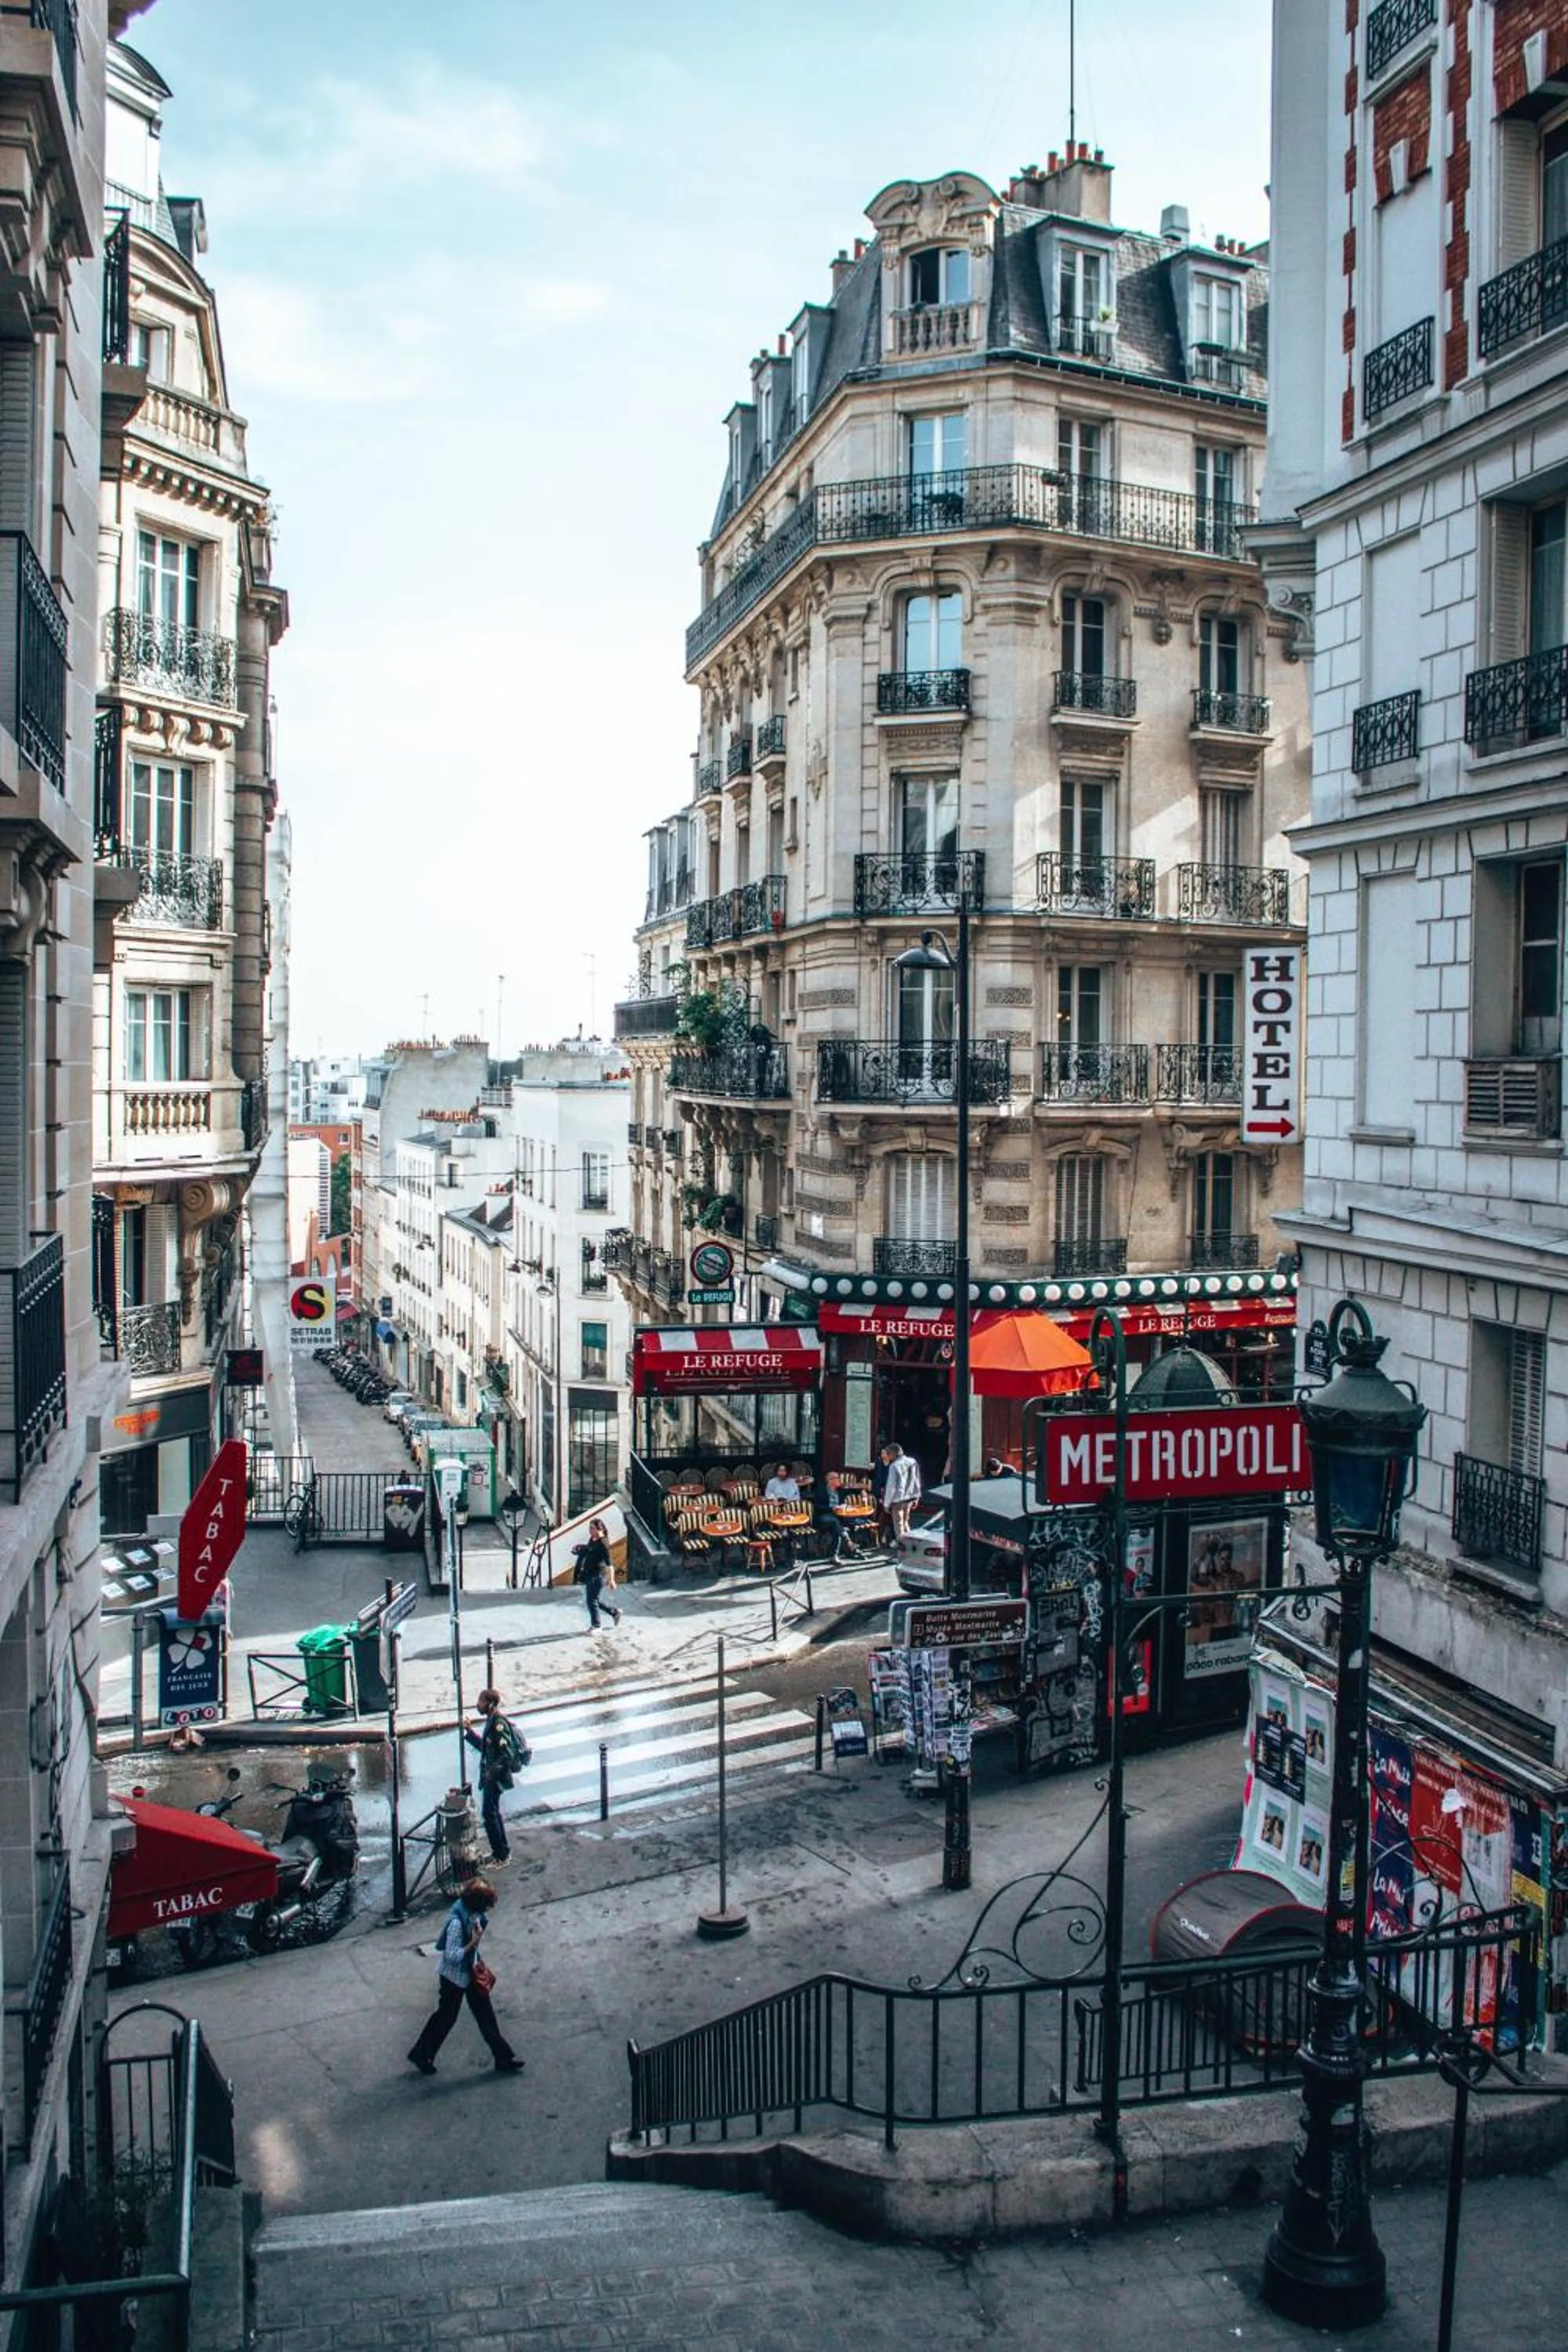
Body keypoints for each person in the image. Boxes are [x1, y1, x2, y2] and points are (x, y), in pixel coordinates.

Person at [406, 1877, 524, 2076]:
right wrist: (474, 1942)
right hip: (454, 1978)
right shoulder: (456, 1924)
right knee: (446, 2018)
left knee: (485, 2015)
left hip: (470, 1972)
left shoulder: (470, 1913)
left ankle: (503, 2056)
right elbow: (452, 1956)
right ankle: (422, 2054)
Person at [466, 1686, 529, 1866]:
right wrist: (470, 1733)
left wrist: (491, 1774)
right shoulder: (491, 1721)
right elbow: (486, 1747)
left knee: (489, 1813)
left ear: (490, 1704)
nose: (478, 1705)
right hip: (492, 1776)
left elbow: (506, 1754)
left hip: (496, 1777)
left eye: (481, 1702)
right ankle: (501, 1852)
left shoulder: (498, 1723)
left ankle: (500, 1855)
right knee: (492, 1813)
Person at [572, 1517, 622, 1630]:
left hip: (598, 1575)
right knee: (594, 1600)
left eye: (593, 1528)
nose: (591, 1531)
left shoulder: (603, 1543)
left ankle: (596, 1625)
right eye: (590, 1528)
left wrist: (612, 1580)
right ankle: (614, 1612)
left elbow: (610, 1563)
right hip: (590, 1574)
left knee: (592, 1600)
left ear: (601, 1529)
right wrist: (580, 1547)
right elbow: (590, 1549)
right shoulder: (593, 1539)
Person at [882, 1442, 922, 1548]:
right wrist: (917, 1496)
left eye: (888, 1454)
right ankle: (911, 1546)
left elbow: (891, 1486)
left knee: (899, 1527)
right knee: (905, 1523)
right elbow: (916, 1480)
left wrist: (886, 1504)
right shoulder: (913, 1462)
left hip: (898, 1500)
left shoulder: (894, 1466)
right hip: (909, 1497)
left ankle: (902, 1550)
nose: (887, 1456)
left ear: (893, 1454)